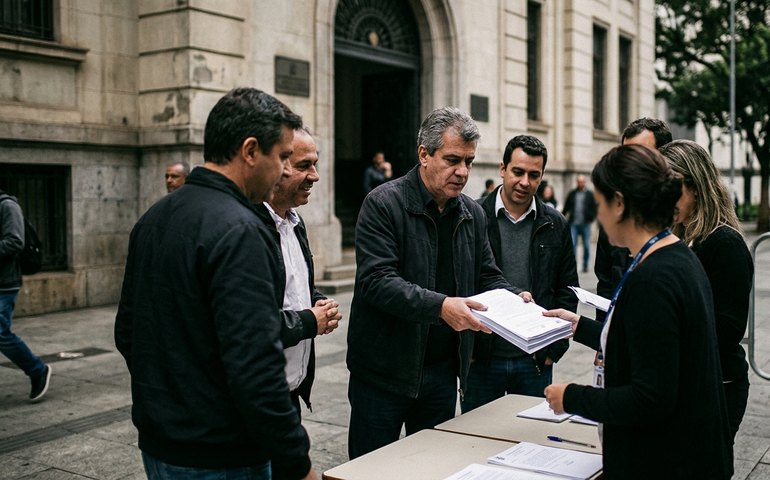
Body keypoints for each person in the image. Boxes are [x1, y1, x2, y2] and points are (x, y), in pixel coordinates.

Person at [115, 88, 318, 480]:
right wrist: (298, 462)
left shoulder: (154, 217)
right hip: (223, 453)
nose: (281, 171)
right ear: (250, 150)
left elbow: (128, 333)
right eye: (280, 158)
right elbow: (255, 366)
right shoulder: (242, 229)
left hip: (161, 441)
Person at [346, 107, 530, 459]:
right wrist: (442, 307)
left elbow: (487, 274)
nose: (462, 172)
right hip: (383, 374)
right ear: (424, 154)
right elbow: (378, 281)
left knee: (431, 467)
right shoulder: (383, 204)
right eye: (452, 160)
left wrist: (515, 299)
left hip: (442, 374)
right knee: (369, 469)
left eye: (470, 162)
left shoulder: (471, 212)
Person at [543, 144, 733, 479]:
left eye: (600, 204)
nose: (598, 216)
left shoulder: (654, 278)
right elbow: (649, 343)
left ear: (619, 203)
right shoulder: (673, 256)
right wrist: (580, 326)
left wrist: (571, 397)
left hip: (667, 463)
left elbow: (651, 398)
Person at [463, 135, 577, 412]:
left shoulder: (555, 223)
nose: (525, 182)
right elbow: (460, 282)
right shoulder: (472, 215)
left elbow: (567, 287)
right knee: (475, 439)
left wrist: (554, 349)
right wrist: (467, 349)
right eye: (518, 172)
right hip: (482, 358)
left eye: (533, 175)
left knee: (530, 441)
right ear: (502, 169)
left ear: (542, 177)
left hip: (534, 360)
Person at [660, 139, 753, 443]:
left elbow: (727, 329)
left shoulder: (724, 243)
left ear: (696, 187)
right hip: (688, 386)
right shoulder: (683, 237)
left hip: (717, 389)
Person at [257, 126, 343, 415]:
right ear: (275, 165)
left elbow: (292, 286)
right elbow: (251, 323)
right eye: (304, 165)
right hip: (258, 396)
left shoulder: (295, 223)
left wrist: (317, 301)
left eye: (315, 164)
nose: (315, 176)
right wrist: (309, 321)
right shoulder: (248, 230)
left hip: (290, 392)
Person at [595, 117, 672, 321]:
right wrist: (600, 340)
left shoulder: (678, 221)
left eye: (640, 156)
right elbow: (605, 285)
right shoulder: (614, 217)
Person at [0, 191, 51, 402]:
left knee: (1, 334)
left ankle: (37, 370)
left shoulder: (7, 206)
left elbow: (15, 242)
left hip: (4, 283)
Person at [562, 174, 596, 272]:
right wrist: (563, 217)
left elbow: (594, 207)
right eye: (579, 182)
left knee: (586, 246)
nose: (580, 183)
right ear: (577, 182)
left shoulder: (589, 194)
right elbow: (566, 207)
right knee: (573, 246)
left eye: (582, 182)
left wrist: (591, 217)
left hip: (585, 224)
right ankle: (573, 266)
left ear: (585, 182)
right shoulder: (572, 194)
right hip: (574, 224)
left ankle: (585, 265)